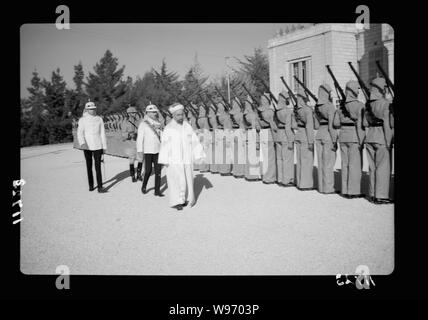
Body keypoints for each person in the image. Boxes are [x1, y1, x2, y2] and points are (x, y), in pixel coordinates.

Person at [158, 103, 206, 210]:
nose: (181, 117)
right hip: (173, 159)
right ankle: (176, 202)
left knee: (187, 178)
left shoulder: (187, 126)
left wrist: (199, 155)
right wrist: (164, 160)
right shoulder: (168, 128)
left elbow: (194, 140)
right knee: (175, 180)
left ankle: (185, 199)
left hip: (186, 158)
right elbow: (164, 144)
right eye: (178, 115)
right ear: (173, 116)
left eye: (182, 114)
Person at [363, 77, 393, 204]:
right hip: (381, 137)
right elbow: (388, 124)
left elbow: (365, 123)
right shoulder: (385, 104)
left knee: (373, 168)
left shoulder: (367, 104)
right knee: (383, 168)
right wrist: (389, 141)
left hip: (370, 137)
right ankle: (381, 195)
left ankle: (372, 194)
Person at [334, 80, 365, 198]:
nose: (358, 91)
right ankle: (354, 191)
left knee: (345, 164)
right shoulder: (359, 105)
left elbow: (336, 123)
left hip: (343, 136)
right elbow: (360, 126)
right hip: (354, 136)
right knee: (355, 165)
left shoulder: (340, 106)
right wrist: (361, 140)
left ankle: (345, 189)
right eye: (357, 89)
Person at [77, 101, 107, 193]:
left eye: (94, 109)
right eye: (90, 109)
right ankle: (91, 185)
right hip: (87, 145)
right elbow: (80, 133)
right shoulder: (82, 120)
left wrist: (104, 147)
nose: (93, 110)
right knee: (89, 166)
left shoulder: (99, 119)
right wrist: (82, 143)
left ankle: (100, 187)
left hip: (98, 145)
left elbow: (102, 133)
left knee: (98, 167)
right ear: (86, 110)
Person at [313, 83, 338, 194]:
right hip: (327, 134)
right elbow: (331, 126)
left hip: (319, 134)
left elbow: (316, 125)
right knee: (328, 163)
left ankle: (321, 187)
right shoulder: (329, 106)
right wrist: (334, 139)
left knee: (320, 162)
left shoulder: (316, 107)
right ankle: (328, 188)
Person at [137, 104, 164, 196]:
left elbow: (162, 136)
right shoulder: (143, 124)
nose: (154, 113)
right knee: (148, 170)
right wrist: (140, 150)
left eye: (155, 112)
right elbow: (140, 138)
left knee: (158, 171)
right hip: (148, 150)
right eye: (152, 112)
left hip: (158, 150)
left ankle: (157, 191)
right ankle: (144, 186)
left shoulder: (158, 123)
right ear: (147, 113)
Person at [294, 87, 315, 190]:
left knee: (300, 160)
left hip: (298, 135)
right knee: (306, 161)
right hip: (306, 136)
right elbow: (309, 126)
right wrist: (311, 141)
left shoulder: (297, 110)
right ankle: (306, 184)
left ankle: (299, 182)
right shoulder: (307, 110)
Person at [275, 91, 295, 186]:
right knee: (287, 158)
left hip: (278, 134)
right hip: (286, 136)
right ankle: (286, 180)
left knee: (279, 158)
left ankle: (280, 178)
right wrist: (290, 139)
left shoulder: (277, 111)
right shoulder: (287, 111)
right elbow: (288, 127)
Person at [257, 93, 278, 184]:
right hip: (269, 133)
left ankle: (266, 176)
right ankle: (270, 177)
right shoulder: (270, 111)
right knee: (271, 157)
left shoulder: (260, 111)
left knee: (265, 157)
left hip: (263, 133)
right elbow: (273, 125)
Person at [121, 106, 144, 182]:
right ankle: (133, 175)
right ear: (129, 113)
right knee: (132, 159)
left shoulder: (139, 121)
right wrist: (129, 135)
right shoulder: (125, 122)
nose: (134, 114)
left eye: (135, 112)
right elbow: (123, 134)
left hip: (139, 142)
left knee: (141, 158)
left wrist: (138, 134)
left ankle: (139, 174)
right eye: (133, 112)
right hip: (130, 143)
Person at [229, 97, 246, 178]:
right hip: (239, 133)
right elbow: (242, 126)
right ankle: (240, 172)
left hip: (233, 133)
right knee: (240, 154)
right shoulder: (240, 114)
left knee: (234, 153)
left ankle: (236, 171)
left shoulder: (231, 114)